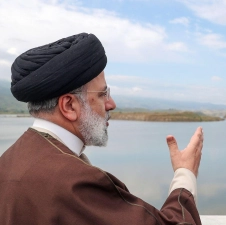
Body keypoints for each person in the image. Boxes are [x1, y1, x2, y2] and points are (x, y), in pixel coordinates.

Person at [0, 33, 203, 225]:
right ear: (69, 106)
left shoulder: (8, 161)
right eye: (102, 94)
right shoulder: (75, 182)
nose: (111, 104)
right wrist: (185, 174)